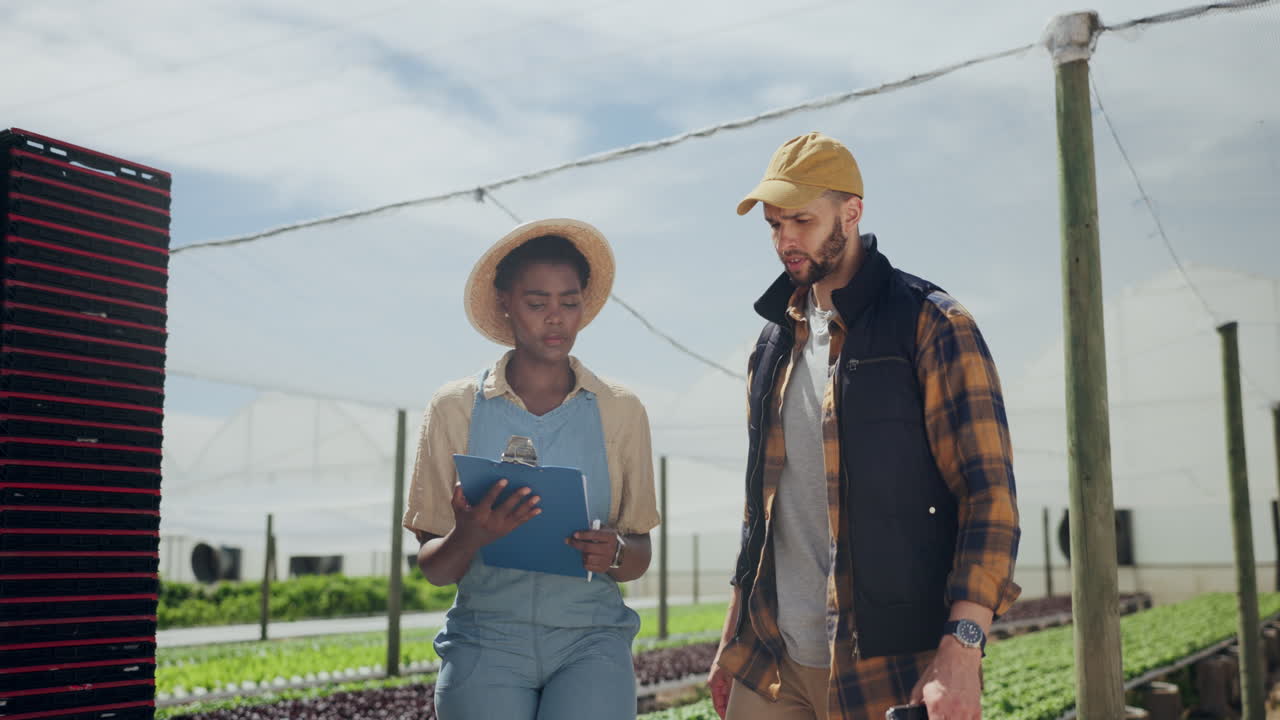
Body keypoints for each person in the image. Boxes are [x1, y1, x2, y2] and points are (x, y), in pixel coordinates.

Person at [707, 132, 1022, 720]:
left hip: (888, 665)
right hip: (772, 663)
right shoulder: (772, 344)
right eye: (774, 225)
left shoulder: (931, 324)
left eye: (801, 220)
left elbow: (989, 499)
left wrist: (963, 648)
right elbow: (761, 509)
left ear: (851, 213)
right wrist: (732, 638)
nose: (785, 240)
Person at [402, 218, 660, 720]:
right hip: (484, 638)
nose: (556, 318)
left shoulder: (620, 409)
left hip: (591, 639)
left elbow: (639, 553)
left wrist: (613, 552)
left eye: (569, 302)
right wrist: (469, 536)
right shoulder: (454, 407)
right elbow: (434, 568)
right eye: (537, 303)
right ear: (505, 302)